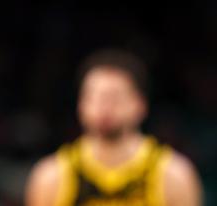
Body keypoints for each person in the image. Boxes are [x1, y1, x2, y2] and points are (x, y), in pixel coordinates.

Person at [25, 49, 202, 206]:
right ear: (81, 105)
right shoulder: (52, 176)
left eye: (115, 97)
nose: (105, 107)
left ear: (140, 105)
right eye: (95, 97)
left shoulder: (173, 175)